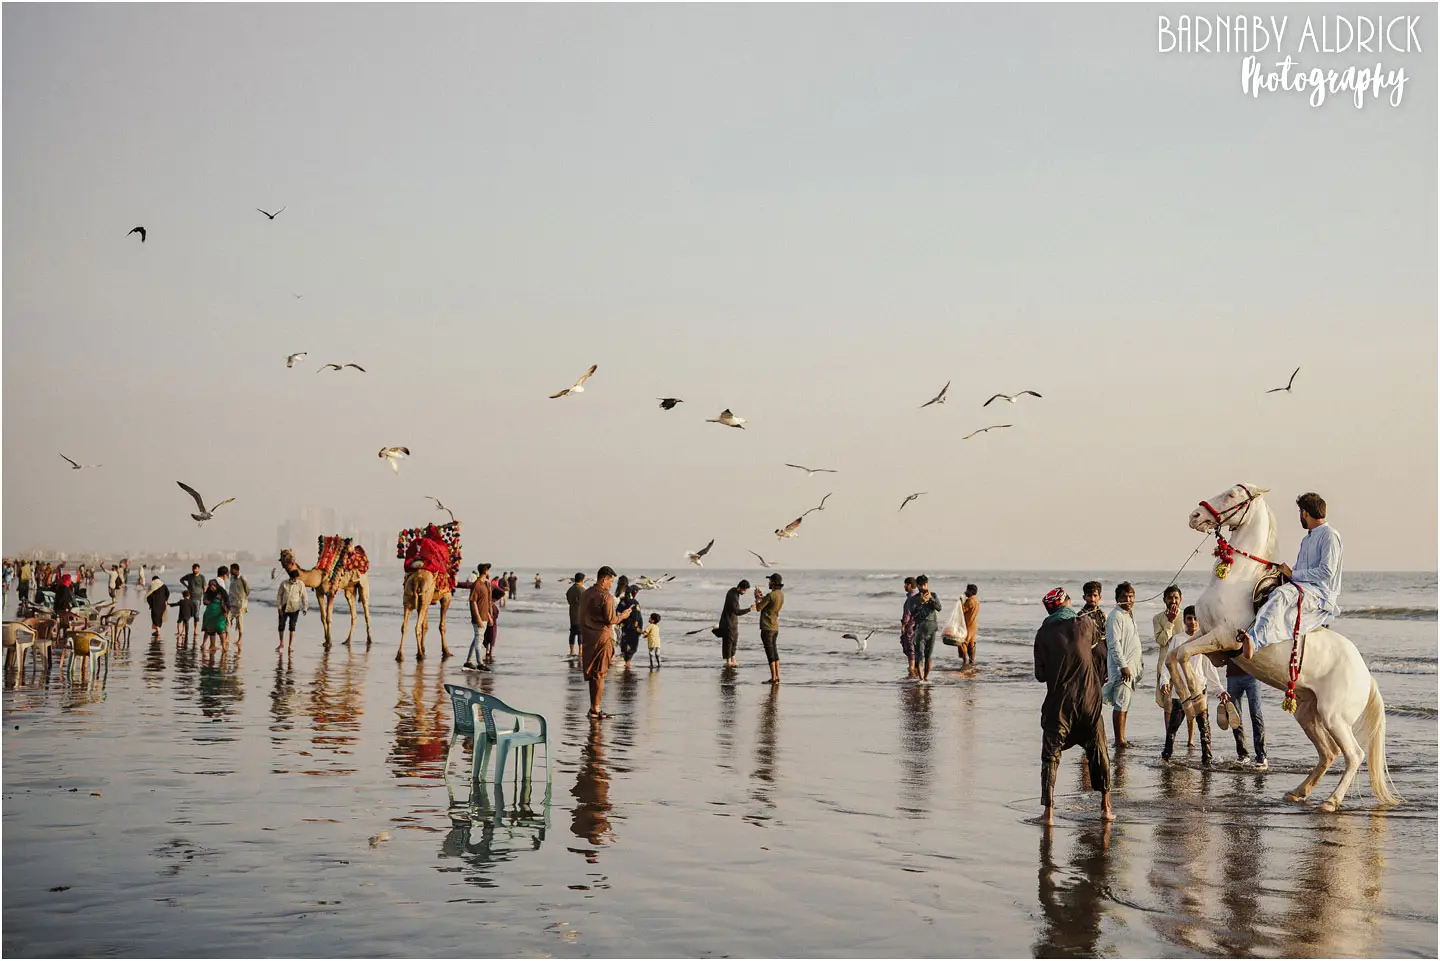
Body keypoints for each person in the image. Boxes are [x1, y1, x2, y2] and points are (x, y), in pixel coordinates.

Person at [1034, 587, 1113, 825]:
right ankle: (1106, 807)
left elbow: (1040, 675)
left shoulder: (1043, 634)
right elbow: (1099, 638)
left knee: (1051, 754)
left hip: (1060, 704)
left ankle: (1048, 814)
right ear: (1066, 603)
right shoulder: (1085, 624)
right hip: (1090, 700)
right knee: (1099, 750)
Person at [1240, 492, 1343, 659]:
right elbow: (1298, 571)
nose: (1300, 517)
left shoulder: (1329, 536)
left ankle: (1255, 640)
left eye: (1300, 513)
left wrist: (1293, 573)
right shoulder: (1307, 539)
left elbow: (1326, 572)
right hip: (1304, 588)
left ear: (1305, 513)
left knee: (1281, 595)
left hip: (1320, 595)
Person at [1161, 606, 1221, 765]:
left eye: (1195, 618)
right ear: (1184, 620)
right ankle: (1166, 756)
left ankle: (1207, 759)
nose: (1193, 622)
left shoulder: (1203, 639)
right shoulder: (1177, 639)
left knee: (1204, 727)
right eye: (1189, 618)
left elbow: (1209, 667)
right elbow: (1168, 662)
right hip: (1181, 692)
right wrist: (1165, 680)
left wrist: (1219, 689)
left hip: (1199, 690)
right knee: (1173, 726)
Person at [579, 566, 629, 717]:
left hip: (588, 637)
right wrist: (624, 616)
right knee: (600, 674)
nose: (611, 585)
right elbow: (611, 620)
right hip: (602, 637)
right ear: (604, 579)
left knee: (593, 675)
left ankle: (593, 707)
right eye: (610, 581)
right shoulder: (606, 597)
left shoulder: (586, 593)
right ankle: (596, 709)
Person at [1101, 582, 1141, 750]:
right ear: (1117, 599)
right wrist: (1123, 666)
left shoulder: (1128, 615)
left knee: (1124, 703)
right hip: (1121, 669)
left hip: (1130, 668)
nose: (1128, 599)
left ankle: (1122, 738)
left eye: (1131, 596)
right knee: (1121, 703)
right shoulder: (1115, 616)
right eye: (1124, 596)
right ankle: (1119, 740)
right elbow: (1113, 644)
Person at [1153, 586, 1191, 745]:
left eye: (1176, 598)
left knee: (1189, 702)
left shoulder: (1186, 617)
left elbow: (1190, 638)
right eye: (1170, 598)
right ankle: (1170, 738)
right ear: (1164, 600)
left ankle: (1191, 739)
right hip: (1165, 667)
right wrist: (1169, 622)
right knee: (1168, 704)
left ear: (1180, 599)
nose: (1173, 601)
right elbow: (1162, 641)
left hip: (1184, 666)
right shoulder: (1158, 618)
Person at [1222, 656, 1268, 770]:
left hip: (1252, 674)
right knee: (1234, 716)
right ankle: (1243, 754)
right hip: (1232, 675)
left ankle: (1261, 756)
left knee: (1255, 713)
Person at [904, 574, 942, 681]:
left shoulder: (933, 595)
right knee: (919, 655)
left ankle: (925, 678)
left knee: (929, 656)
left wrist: (931, 600)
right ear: (918, 586)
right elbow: (914, 614)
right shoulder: (914, 599)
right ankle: (921, 679)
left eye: (925, 584)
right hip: (920, 629)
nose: (924, 587)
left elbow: (939, 608)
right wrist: (921, 602)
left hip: (932, 628)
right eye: (922, 585)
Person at [461, 563, 495, 670]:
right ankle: (480, 663)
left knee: (476, 639)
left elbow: (486, 602)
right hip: (479, 617)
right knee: (479, 640)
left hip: (485, 616)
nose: (489, 572)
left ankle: (468, 661)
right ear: (485, 571)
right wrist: (478, 618)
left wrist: (489, 616)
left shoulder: (486, 584)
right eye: (488, 570)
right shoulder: (477, 585)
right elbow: (473, 602)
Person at [754, 573, 785, 684]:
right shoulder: (780, 594)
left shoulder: (771, 595)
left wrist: (757, 598)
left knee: (770, 653)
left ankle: (773, 678)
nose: (768, 583)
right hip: (775, 627)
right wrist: (762, 599)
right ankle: (777, 676)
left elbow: (758, 608)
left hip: (767, 627)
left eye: (770, 581)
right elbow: (770, 606)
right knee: (775, 652)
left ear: (773, 583)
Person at [717, 579, 754, 667]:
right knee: (729, 641)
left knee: (734, 640)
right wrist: (749, 609)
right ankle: (729, 661)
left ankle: (732, 659)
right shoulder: (733, 595)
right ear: (740, 588)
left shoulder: (734, 592)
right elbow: (736, 611)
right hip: (728, 622)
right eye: (745, 590)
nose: (745, 592)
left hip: (732, 621)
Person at [1078, 581, 1107, 683]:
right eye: (1089, 596)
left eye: (1095, 595)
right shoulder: (1080, 617)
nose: (1092, 599)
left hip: (1103, 661)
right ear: (1084, 597)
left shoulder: (1102, 615)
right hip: (1089, 661)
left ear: (1100, 597)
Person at [275, 568, 308, 651]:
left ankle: (290, 646)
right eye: (294, 578)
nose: (295, 579)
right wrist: (279, 607)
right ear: (291, 577)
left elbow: (304, 596)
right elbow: (279, 595)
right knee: (281, 626)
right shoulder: (284, 583)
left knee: (292, 627)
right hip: (284, 607)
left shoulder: (300, 584)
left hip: (295, 608)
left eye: (296, 578)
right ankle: (281, 642)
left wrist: (305, 608)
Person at [617, 585, 643, 669]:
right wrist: (638, 627)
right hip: (632, 628)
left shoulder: (622, 601)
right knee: (632, 644)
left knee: (624, 642)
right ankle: (627, 662)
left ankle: (625, 659)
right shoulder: (635, 603)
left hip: (623, 626)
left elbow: (617, 612)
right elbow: (637, 616)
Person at [202, 573, 230, 646]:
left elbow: (227, 602)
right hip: (210, 614)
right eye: (210, 586)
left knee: (221, 629)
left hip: (220, 614)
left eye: (213, 586)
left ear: (216, 585)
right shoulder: (208, 593)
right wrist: (207, 601)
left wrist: (226, 611)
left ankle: (223, 646)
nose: (211, 587)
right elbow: (204, 601)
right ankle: (212, 645)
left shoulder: (222, 592)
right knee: (211, 631)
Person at [900, 576, 918, 678]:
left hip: (910, 626)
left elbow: (907, 613)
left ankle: (911, 669)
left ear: (909, 585)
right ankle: (915, 668)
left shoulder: (910, 598)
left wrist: (903, 625)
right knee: (915, 648)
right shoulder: (918, 596)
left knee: (909, 647)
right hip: (917, 626)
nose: (904, 586)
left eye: (905, 584)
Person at [228, 563, 250, 643]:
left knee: (240, 621)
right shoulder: (232, 578)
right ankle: (227, 636)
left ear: (235, 570)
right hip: (231, 602)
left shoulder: (242, 578)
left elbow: (248, 589)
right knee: (227, 619)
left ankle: (240, 639)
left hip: (240, 604)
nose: (230, 571)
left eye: (231, 569)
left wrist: (244, 599)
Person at [566, 573, 586, 657]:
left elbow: (568, 598)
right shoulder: (582, 590)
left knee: (573, 632)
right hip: (580, 613)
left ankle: (571, 651)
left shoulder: (570, 589)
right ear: (582, 580)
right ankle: (580, 651)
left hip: (572, 613)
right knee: (580, 633)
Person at [961, 583, 980, 667]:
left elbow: (962, 610)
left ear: (971, 591)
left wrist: (961, 601)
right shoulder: (976, 601)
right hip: (974, 625)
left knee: (964, 642)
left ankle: (965, 660)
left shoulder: (970, 601)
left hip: (968, 625)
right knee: (972, 643)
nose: (966, 591)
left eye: (967, 590)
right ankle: (972, 661)